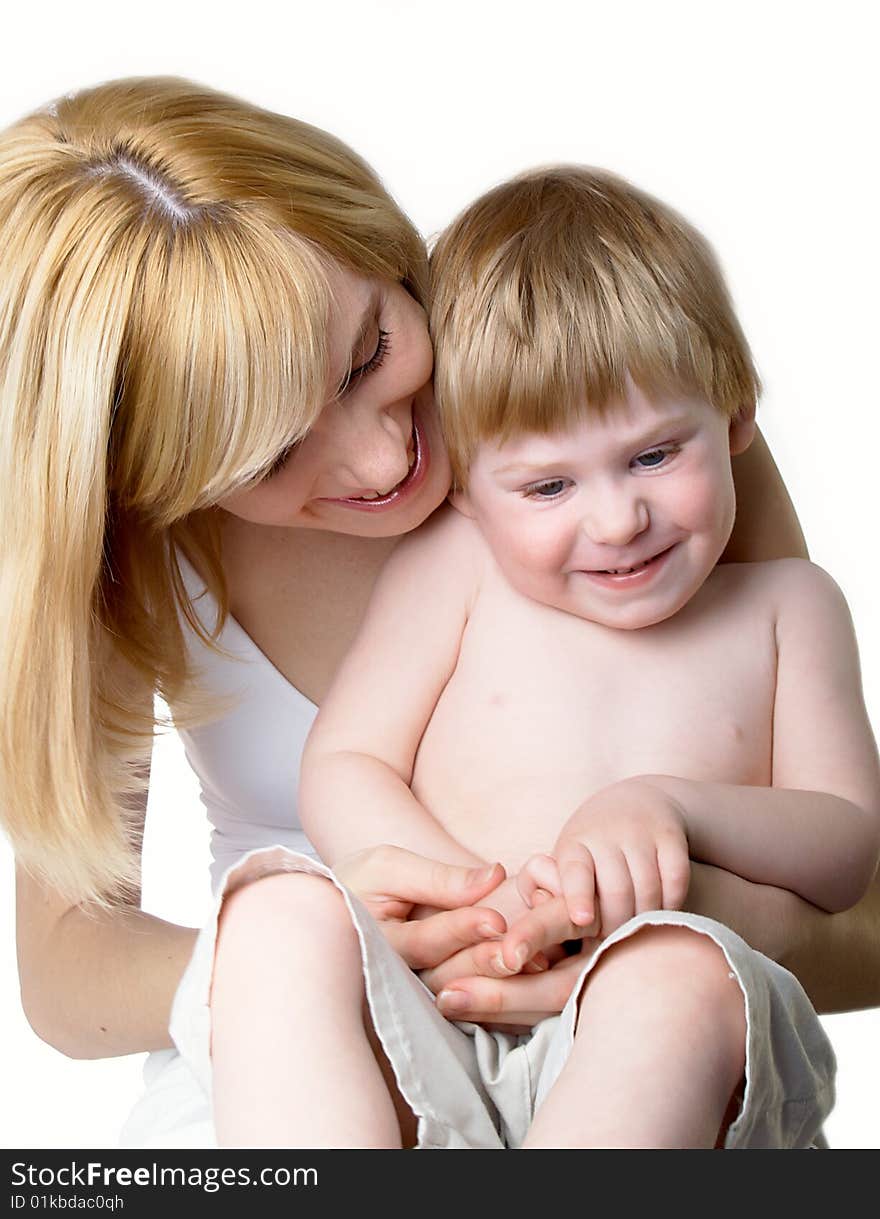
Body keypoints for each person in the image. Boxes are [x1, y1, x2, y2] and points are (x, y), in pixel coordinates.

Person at [0, 79, 876, 1150]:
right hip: (315, 1041)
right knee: (282, 920)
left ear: (374, 240)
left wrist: (667, 919)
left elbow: (858, 903)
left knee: (671, 1000)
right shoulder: (124, 553)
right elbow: (64, 966)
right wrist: (347, 938)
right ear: (161, 475)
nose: (384, 459)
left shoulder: (601, 389)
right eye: (269, 456)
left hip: (640, 1022)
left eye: (369, 353)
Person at [287, 167, 880, 1149]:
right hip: (451, 1012)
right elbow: (348, 762)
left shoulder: (787, 605)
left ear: (735, 415)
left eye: (654, 455)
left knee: (675, 968)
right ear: (468, 492)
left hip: (669, 1056)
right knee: (275, 913)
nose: (617, 518)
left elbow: (847, 844)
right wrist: (481, 898)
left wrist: (672, 806)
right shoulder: (453, 568)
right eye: (547, 484)